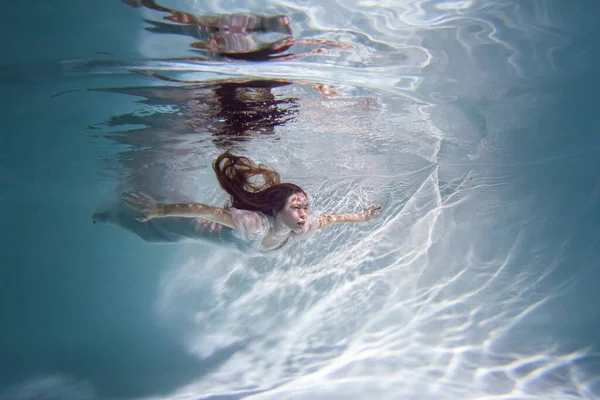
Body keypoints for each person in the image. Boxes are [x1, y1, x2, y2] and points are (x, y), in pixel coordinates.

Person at [120, 151, 382, 253]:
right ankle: (133, 195)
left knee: (164, 234)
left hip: (228, 241)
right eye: (296, 207)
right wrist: (160, 210)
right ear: (276, 211)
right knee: (163, 234)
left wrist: (361, 216)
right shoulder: (254, 223)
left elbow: (330, 219)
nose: (304, 214)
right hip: (199, 227)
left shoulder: (302, 226)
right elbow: (207, 212)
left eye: (305, 208)